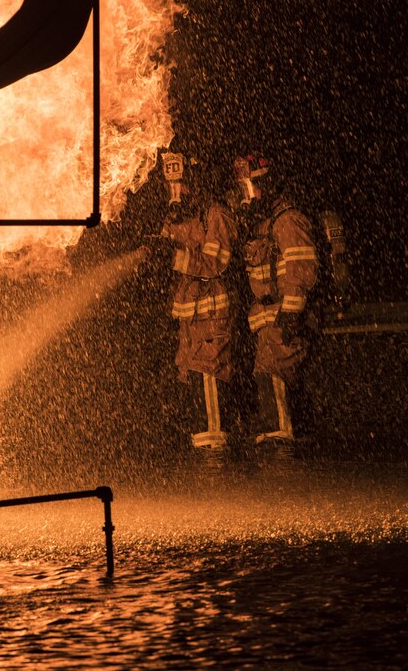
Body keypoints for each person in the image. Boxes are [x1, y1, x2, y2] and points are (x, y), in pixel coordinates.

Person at [139, 150, 240, 468]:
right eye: (171, 187)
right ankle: (205, 450)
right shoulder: (174, 218)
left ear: (194, 182)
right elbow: (173, 259)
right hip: (186, 316)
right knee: (191, 376)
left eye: (180, 185)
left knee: (208, 373)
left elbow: (215, 263)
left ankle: (215, 453)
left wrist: (173, 255)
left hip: (212, 314)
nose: (176, 193)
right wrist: (153, 255)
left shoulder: (215, 214)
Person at [232, 153, 337, 458]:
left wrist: (291, 314)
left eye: (250, 188)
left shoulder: (288, 220)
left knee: (271, 368)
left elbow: (301, 270)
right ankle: (301, 433)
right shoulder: (265, 224)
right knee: (285, 374)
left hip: (287, 315)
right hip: (269, 317)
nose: (248, 196)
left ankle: (278, 438)